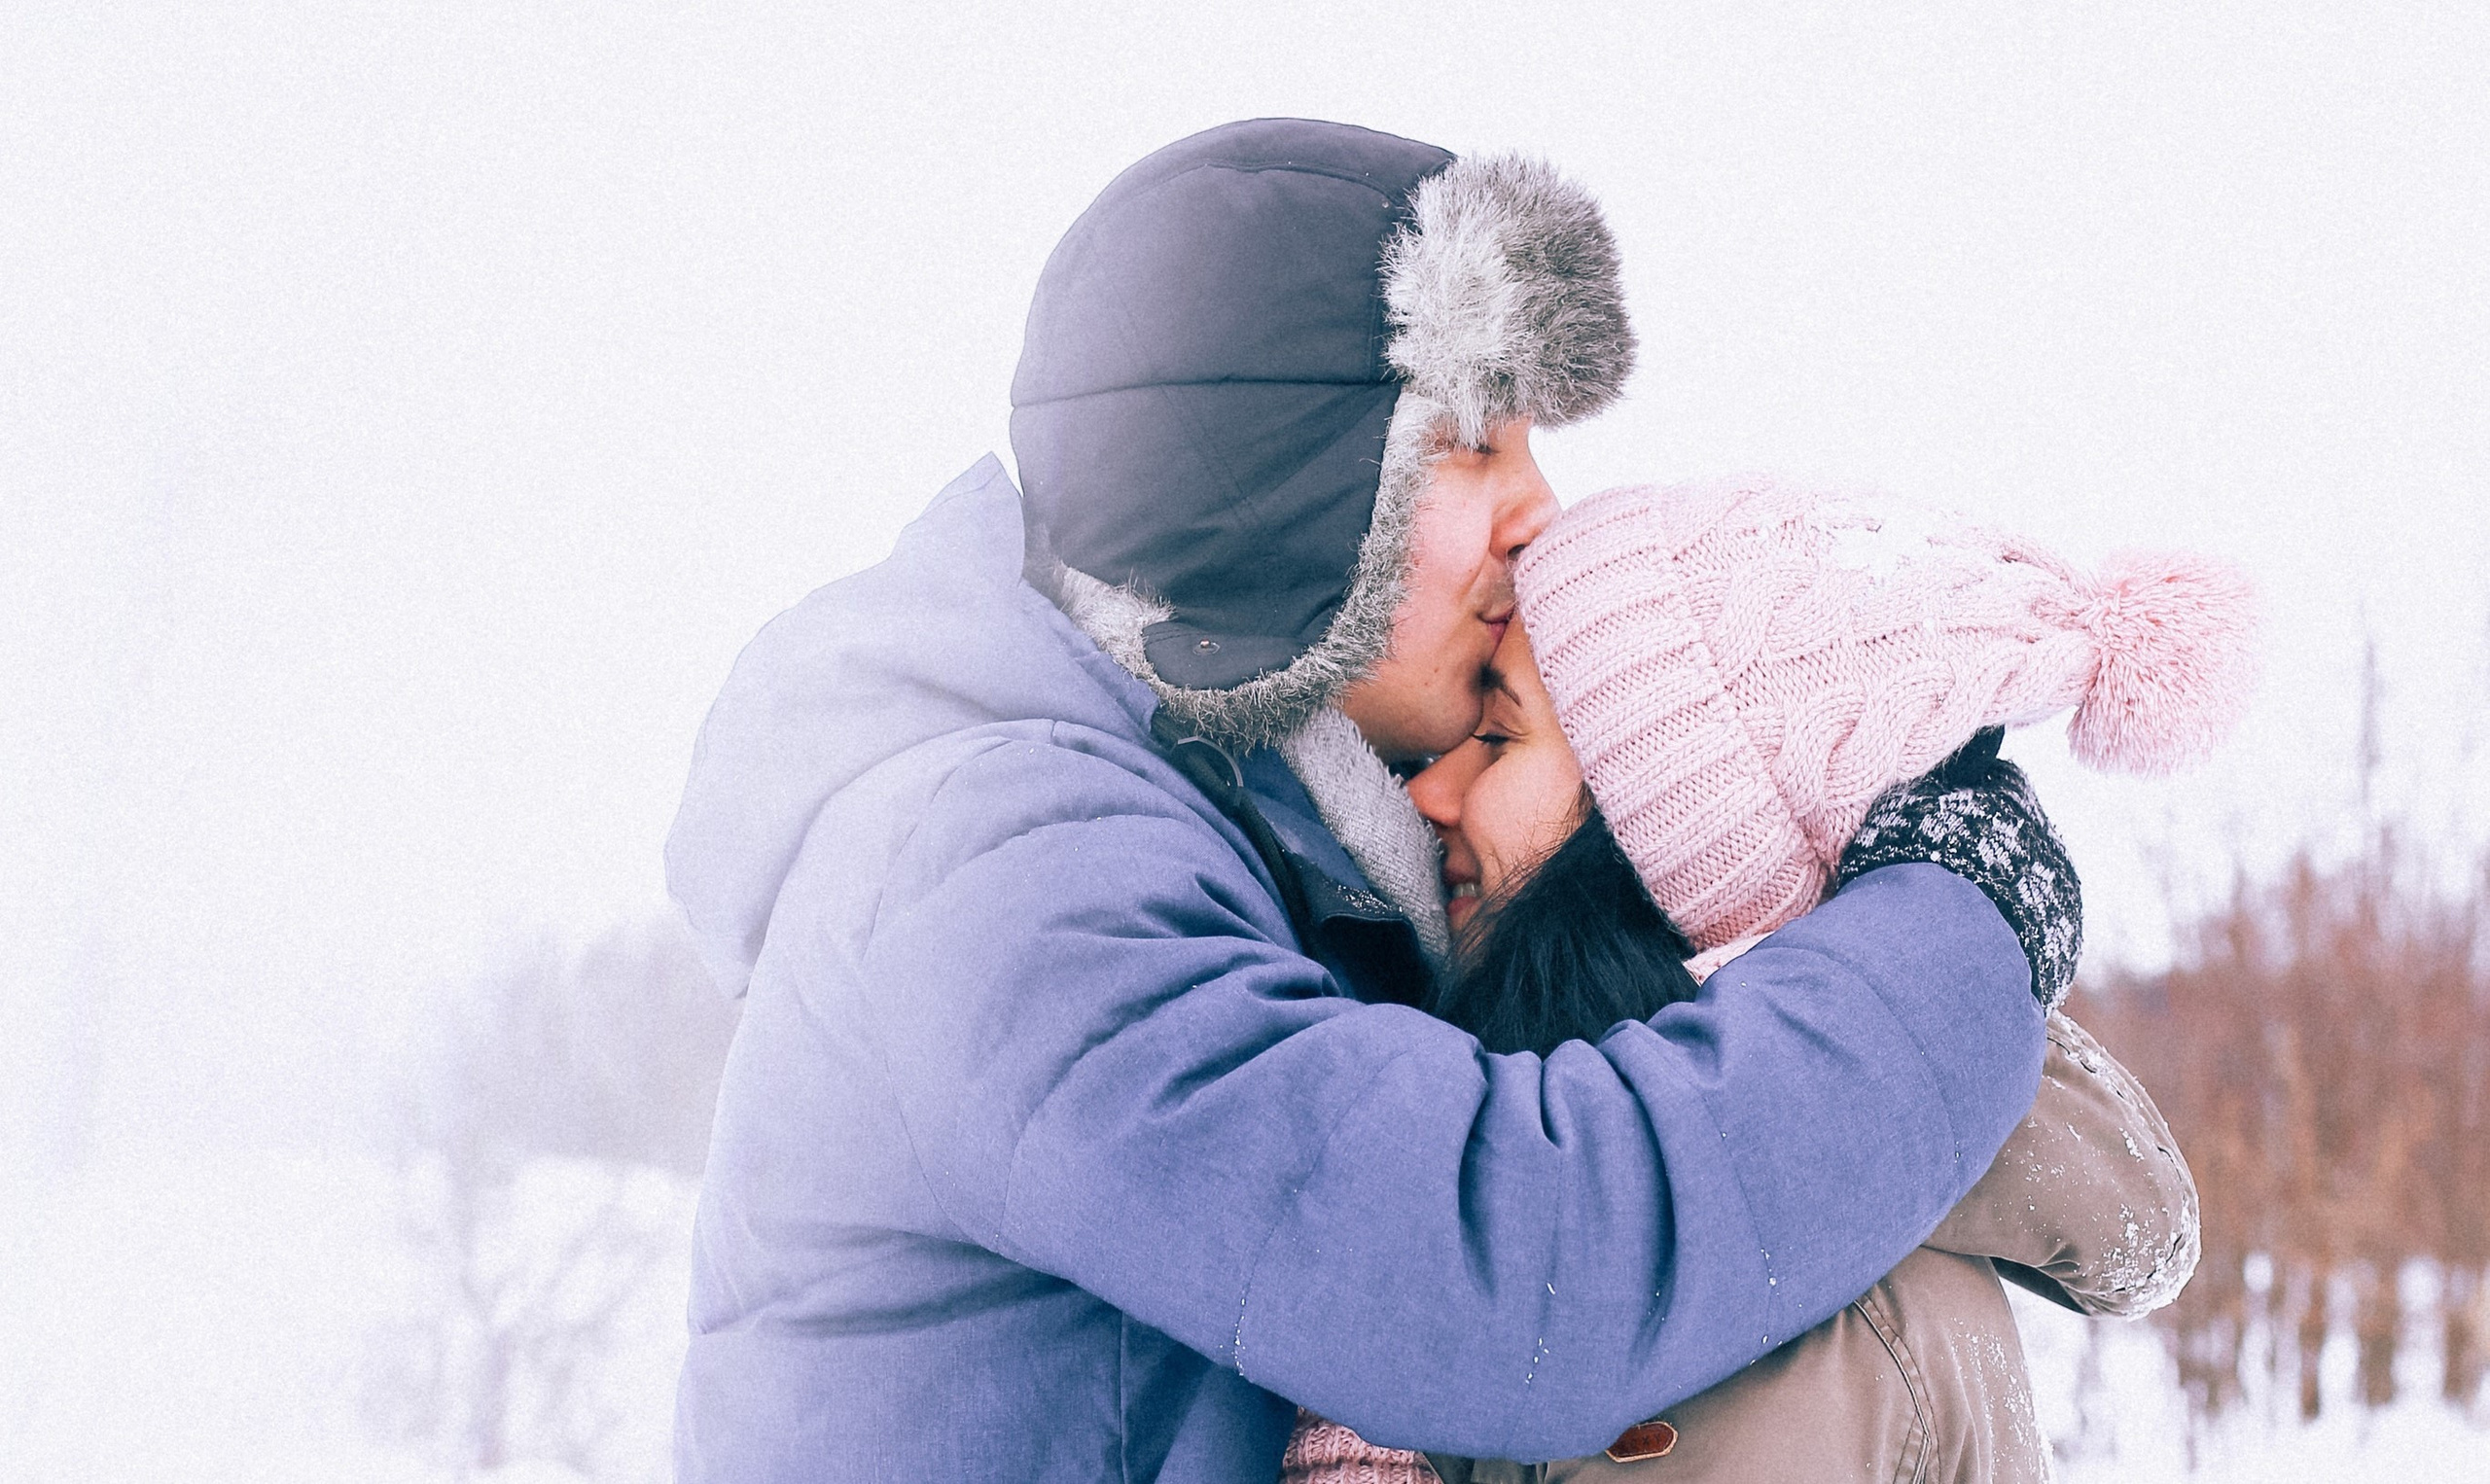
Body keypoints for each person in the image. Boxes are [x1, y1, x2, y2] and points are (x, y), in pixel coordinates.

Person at [663, 122, 2074, 1482]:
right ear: (1275, 488)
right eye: (1469, 441)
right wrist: (1957, 918)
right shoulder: (992, 866)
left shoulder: (1272, 839)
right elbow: (1511, 1268)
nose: (1539, 512)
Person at [1282, 475, 2251, 1481]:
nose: (1429, 791)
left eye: (1497, 737)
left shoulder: (1798, 1332)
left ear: (1654, 850)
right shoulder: (1698, 1228)